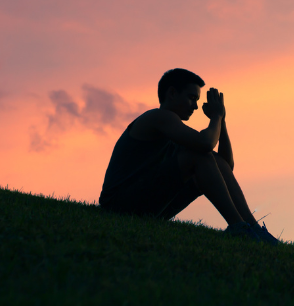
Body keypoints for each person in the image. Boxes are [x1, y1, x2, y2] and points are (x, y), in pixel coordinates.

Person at [98, 68, 278, 244]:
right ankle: (239, 228)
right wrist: (215, 117)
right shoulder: (159, 117)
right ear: (172, 93)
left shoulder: (175, 131)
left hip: (143, 207)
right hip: (118, 206)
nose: (195, 106)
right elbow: (205, 144)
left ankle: (252, 229)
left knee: (207, 159)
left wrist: (221, 121)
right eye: (192, 98)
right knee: (200, 156)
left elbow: (224, 166)